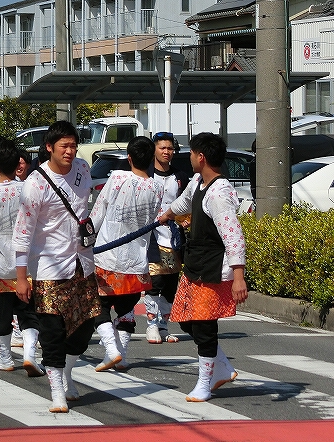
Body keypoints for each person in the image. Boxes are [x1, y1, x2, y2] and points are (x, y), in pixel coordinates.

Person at [13, 121, 100, 413]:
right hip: (49, 268)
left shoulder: (83, 169)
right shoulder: (35, 183)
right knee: (52, 331)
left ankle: (67, 372)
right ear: (49, 147)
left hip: (82, 263)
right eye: (64, 146)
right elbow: (23, 232)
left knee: (85, 325)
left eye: (74, 145)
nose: (70, 151)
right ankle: (56, 392)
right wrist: (21, 277)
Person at [157, 132, 248, 402]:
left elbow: (234, 236)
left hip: (212, 267)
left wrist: (239, 277)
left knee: (205, 326)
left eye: (192, 153)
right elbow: (185, 201)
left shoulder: (220, 193)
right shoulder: (198, 181)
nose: (189, 157)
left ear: (201, 157)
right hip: (194, 263)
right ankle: (223, 367)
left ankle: (205, 383)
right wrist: (168, 214)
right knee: (186, 319)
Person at [88, 136, 163, 372]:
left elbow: (98, 211)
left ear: (129, 158)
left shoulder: (118, 178)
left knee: (98, 305)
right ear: (151, 158)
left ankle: (112, 350)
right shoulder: (157, 187)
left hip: (108, 255)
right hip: (137, 259)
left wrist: (86, 239)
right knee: (127, 310)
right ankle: (122, 355)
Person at [0, 138, 43, 375]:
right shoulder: (29, 189)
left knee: (0, 314)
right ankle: (30, 354)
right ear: (18, 165)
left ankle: (5, 358)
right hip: (29, 260)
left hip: (0, 260)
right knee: (28, 312)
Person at [146, 131, 189, 344]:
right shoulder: (146, 174)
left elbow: (186, 204)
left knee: (171, 284)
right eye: (162, 147)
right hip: (151, 236)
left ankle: (163, 325)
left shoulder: (180, 177)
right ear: (154, 149)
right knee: (155, 281)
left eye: (170, 148)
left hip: (173, 236)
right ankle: (151, 325)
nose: (166, 152)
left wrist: (185, 219)